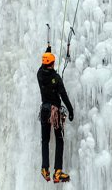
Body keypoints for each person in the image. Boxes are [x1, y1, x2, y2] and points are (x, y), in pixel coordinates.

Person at [37, 46, 74, 183]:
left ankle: (44, 169)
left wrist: (47, 53)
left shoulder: (39, 74)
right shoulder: (56, 78)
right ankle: (57, 171)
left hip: (44, 111)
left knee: (45, 140)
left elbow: (43, 66)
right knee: (59, 139)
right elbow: (63, 96)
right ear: (52, 64)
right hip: (55, 112)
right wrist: (70, 110)